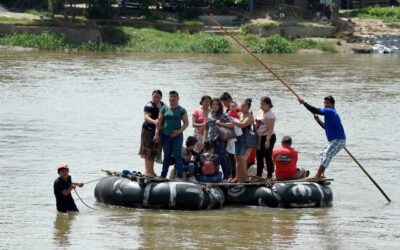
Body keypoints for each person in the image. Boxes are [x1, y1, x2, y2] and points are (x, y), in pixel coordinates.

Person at [298, 96, 346, 180]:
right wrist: (318, 121)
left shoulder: (330, 111)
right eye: (324, 103)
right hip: (334, 140)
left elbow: (316, 110)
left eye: (327, 103)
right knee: (323, 153)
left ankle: (317, 175)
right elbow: (326, 127)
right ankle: (321, 174)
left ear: (332, 104)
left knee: (327, 154)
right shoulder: (329, 114)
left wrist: (304, 103)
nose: (325, 105)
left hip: (338, 140)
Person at [154, 90, 189, 180]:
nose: (172, 98)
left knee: (177, 155)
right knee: (166, 156)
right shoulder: (164, 108)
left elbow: (186, 123)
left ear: (178, 98)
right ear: (168, 98)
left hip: (177, 136)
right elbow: (159, 123)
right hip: (165, 136)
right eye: (171, 97)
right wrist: (156, 134)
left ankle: (179, 176)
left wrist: (178, 131)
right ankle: (163, 175)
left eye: (174, 97)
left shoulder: (181, 110)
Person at [203, 98, 234, 180]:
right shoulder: (210, 114)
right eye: (213, 104)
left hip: (220, 139)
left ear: (220, 106)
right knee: (212, 158)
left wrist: (221, 123)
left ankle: (226, 177)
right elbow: (206, 127)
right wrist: (204, 139)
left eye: (217, 104)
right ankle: (214, 174)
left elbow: (232, 124)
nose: (215, 106)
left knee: (222, 157)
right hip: (211, 139)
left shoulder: (223, 115)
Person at [139, 89, 165, 177]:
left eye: (158, 97)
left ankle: (152, 171)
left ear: (161, 97)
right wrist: (154, 121)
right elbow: (146, 117)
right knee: (147, 151)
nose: (156, 98)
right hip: (148, 130)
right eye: (154, 97)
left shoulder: (163, 105)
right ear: (152, 97)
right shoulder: (149, 105)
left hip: (157, 131)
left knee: (154, 151)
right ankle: (147, 171)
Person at [231, 98, 254, 182]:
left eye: (243, 106)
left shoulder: (250, 116)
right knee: (237, 157)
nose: (241, 107)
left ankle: (246, 177)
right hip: (237, 138)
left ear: (248, 107)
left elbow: (243, 124)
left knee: (241, 157)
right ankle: (238, 177)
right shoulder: (240, 114)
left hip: (244, 138)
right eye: (241, 106)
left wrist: (233, 120)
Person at [254, 96, 276, 181]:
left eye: (263, 104)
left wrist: (267, 140)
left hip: (268, 137)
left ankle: (270, 176)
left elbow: (270, 129)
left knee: (267, 156)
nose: (261, 106)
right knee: (259, 157)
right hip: (259, 136)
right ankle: (259, 175)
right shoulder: (260, 111)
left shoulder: (270, 115)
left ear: (268, 104)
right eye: (260, 104)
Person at [220, 92, 239, 180]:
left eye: (224, 103)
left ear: (228, 100)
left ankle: (233, 175)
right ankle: (231, 174)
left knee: (231, 156)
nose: (224, 105)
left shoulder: (235, 108)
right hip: (231, 135)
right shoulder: (230, 109)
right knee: (229, 155)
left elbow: (234, 122)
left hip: (235, 136)